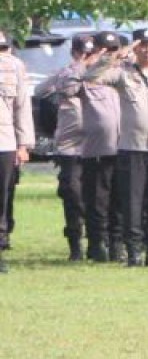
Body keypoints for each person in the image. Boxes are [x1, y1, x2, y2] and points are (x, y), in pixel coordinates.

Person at [84, 28, 148, 268]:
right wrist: (119, 54)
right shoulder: (123, 74)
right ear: (136, 47)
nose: (147, 49)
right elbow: (91, 76)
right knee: (132, 202)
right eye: (142, 44)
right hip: (132, 148)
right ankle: (133, 252)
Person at [34, 33, 94, 262]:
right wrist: (70, 72)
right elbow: (40, 90)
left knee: (97, 197)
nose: (86, 58)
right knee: (73, 194)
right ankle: (75, 243)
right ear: (75, 53)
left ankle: (98, 242)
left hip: (96, 145)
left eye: (90, 54)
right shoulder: (66, 73)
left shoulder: (101, 74)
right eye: (83, 53)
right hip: (70, 147)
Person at [76, 30, 126, 263]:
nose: (109, 55)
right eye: (102, 50)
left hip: (125, 147)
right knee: (97, 201)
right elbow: (57, 88)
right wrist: (96, 62)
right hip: (97, 149)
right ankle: (97, 245)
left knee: (121, 200)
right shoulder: (83, 75)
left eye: (113, 49)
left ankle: (117, 244)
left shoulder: (127, 74)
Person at [0, 30, 32, 273]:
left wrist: (23, 145)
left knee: (2, 200)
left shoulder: (14, 67)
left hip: (5, 142)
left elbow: (22, 107)